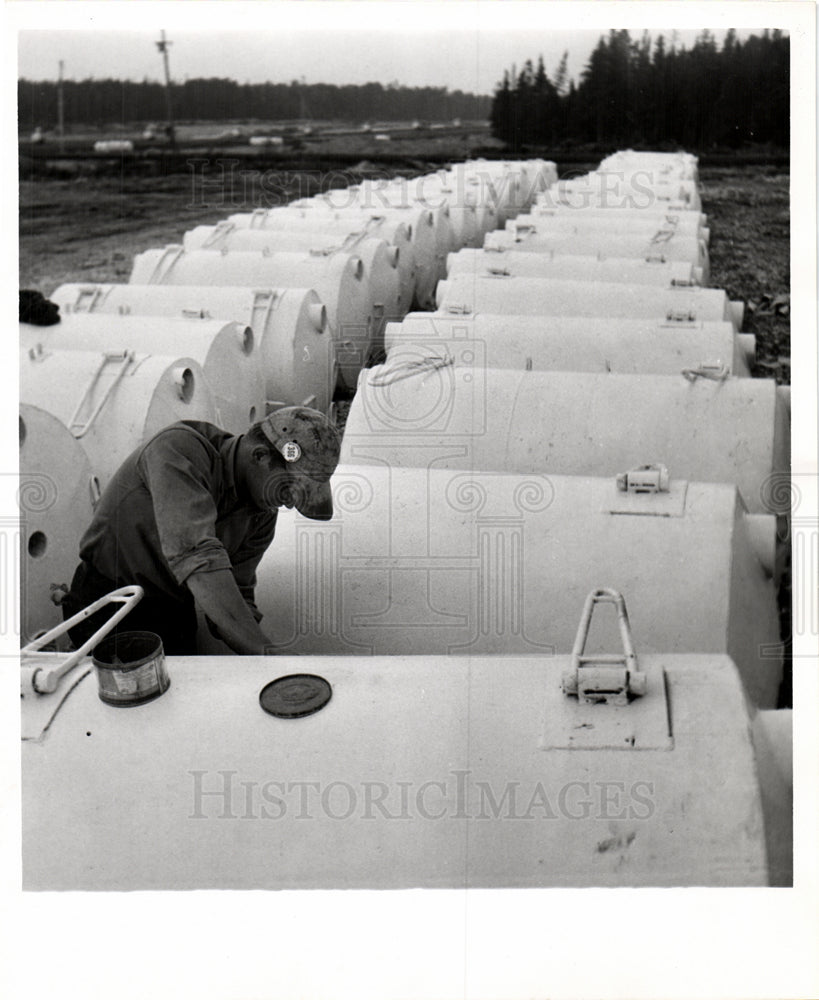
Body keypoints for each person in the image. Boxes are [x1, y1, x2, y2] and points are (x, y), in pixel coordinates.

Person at [60, 407, 341, 656]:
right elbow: (197, 557)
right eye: (288, 487)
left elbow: (238, 590)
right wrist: (267, 655)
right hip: (107, 604)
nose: (290, 504)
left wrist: (256, 650)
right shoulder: (178, 449)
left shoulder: (262, 516)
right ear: (261, 456)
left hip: (171, 611)